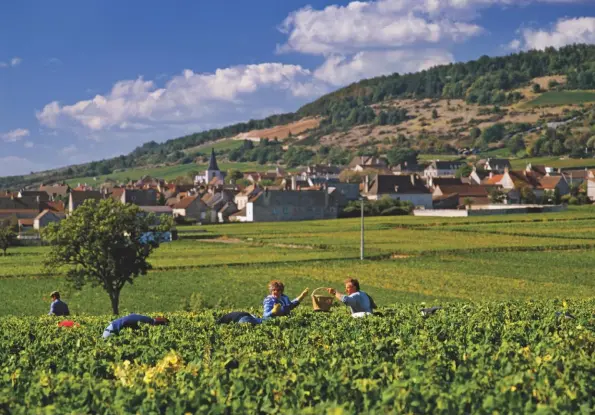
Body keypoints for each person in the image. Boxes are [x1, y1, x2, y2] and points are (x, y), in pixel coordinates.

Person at [103, 313, 169, 339]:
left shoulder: (147, 319)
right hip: (111, 332)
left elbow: (131, 316)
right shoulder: (148, 321)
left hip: (109, 330)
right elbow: (126, 321)